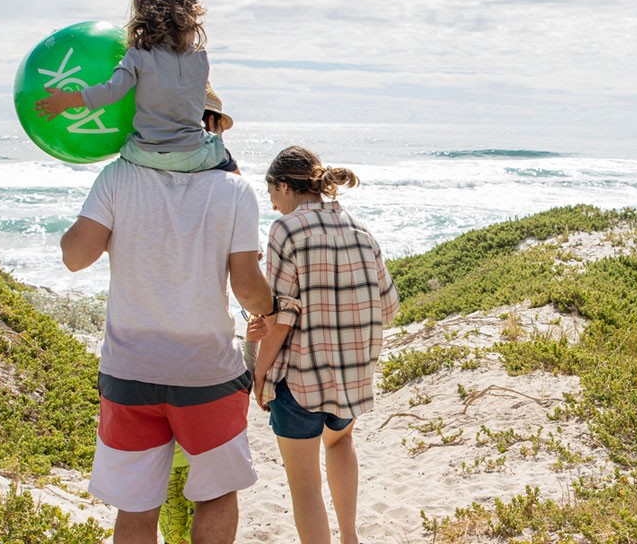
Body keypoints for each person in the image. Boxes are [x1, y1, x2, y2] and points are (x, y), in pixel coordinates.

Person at [60, 149, 278, 542]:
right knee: (216, 494)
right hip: (206, 372)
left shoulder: (117, 177)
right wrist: (272, 305)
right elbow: (246, 289)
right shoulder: (234, 189)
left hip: (130, 369)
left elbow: (74, 258)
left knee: (137, 504)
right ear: (211, 124)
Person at [247, 146, 399, 544]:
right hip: (352, 377)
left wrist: (259, 374)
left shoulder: (286, 230)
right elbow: (388, 307)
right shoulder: (359, 229)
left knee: (304, 487)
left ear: (284, 185)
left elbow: (282, 316)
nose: (274, 206)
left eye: (272, 195)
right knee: (341, 442)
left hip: (299, 379)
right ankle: (350, 538)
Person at [35, 0, 237, 172]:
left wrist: (67, 100)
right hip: (194, 154)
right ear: (190, 18)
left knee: (125, 152)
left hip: (148, 154)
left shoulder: (139, 54)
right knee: (220, 151)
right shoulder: (200, 56)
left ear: (146, 17)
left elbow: (112, 91)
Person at [156, 84, 239, 544]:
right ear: (211, 124)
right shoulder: (229, 181)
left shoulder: (136, 172)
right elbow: (240, 267)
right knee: (211, 481)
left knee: (168, 478)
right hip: (207, 341)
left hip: (147, 344)